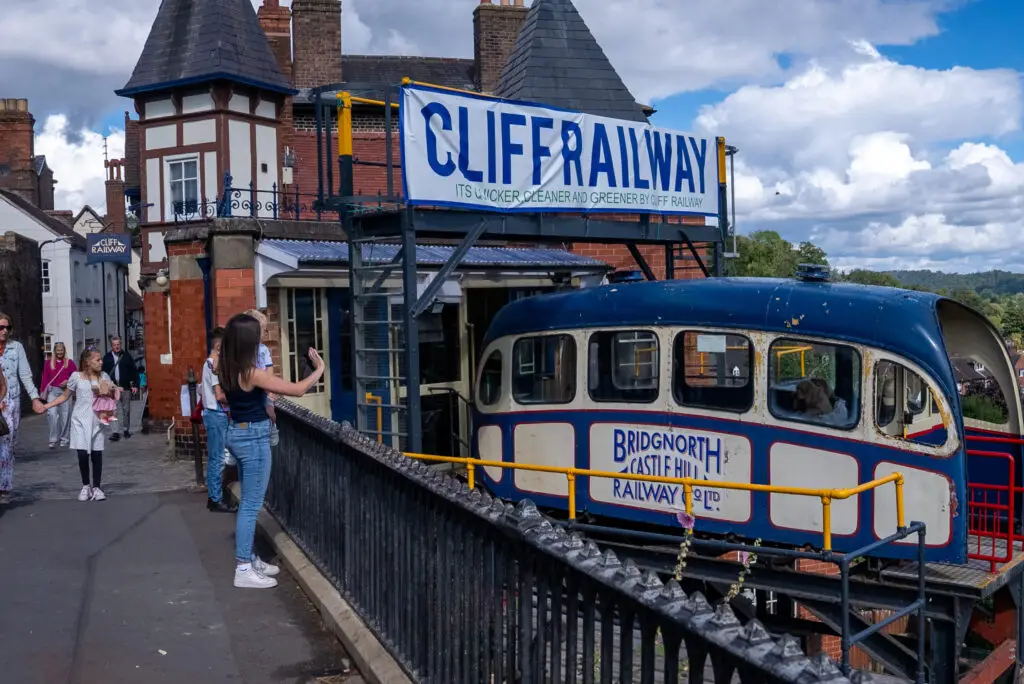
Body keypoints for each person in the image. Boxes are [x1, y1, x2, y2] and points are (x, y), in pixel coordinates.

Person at [220, 313, 324, 589]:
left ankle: (249, 557)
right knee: (252, 505)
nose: (261, 339)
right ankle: (243, 567)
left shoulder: (226, 367)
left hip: (237, 432)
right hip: (254, 437)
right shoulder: (251, 373)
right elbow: (298, 389)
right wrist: (319, 369)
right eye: (257, 335)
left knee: (248, 502)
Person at [38, 347, 115, 502]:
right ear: (87, 362)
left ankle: (97, 487)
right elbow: (65, 396)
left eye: (101, 359)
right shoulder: (76, 377)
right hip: (80, 419)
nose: (101, 362)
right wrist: (46, 405)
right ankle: (86, 485)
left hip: (97, 420)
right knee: (82, 454)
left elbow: (112, 396)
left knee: (96, 454)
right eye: (97, 359)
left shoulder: (104, 376)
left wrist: (109, 389)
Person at [0, 313, 45, 505]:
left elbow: (25, 374)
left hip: (11, 401)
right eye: (0, 328)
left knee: (7, 444)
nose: (4, 331)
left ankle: (4, 487)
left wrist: (35, 398)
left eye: (7, 328)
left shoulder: (15, 348)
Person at [202, 327, 236, 513]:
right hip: (216, 414)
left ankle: (215, 496)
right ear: (219, 346)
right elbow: (219, 395)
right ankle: (215, 499)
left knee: (219, 457)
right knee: (217, 458)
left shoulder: (212, 363)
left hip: (215, 414)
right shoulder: (213, 364)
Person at [244, 309, 279, 446]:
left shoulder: (263, 349)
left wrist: (269, 388)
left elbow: (269, 369)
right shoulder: (243, 350)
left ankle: (273, 428)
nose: (264, 334)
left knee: (270, 409)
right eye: (262, 330)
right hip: (251, 389)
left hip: (264, 387)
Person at [101, 336, 139, 441]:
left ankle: (126, 430)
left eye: (118, 344)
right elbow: (103, 373)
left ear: (120, 344)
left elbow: (134, 371)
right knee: (113, 410)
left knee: (126, 410)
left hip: (125, 387)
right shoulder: (107, 357)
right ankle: (115, 432)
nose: (116, 346)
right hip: (112, 388)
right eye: (114, 345)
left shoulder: (126, 356)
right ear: (111, 346)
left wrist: (135, 384)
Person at [41, 341, 77, 448]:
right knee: (52, 414)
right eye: (58, 350)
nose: (60, 352)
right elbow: (45, 378)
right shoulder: (48, 363)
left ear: (64, 351)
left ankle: (64, 438)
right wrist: (42, 393)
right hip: (53, 391)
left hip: (66, 391)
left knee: (65, 415)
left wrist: (68, 381)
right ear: (55, 351)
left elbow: (75, 377)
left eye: (61, 350)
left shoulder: (69, 362)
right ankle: (53, 438)